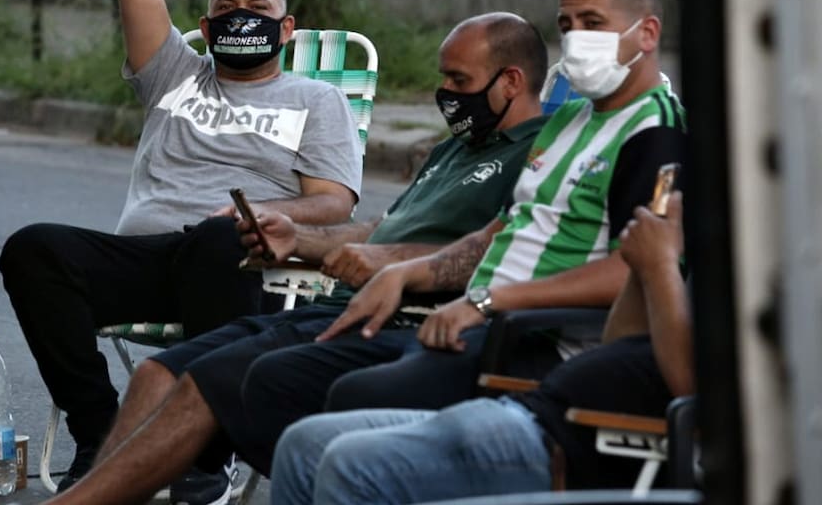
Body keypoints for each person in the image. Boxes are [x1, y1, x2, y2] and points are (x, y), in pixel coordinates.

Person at [44, 0, 686, 505]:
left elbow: (636, 268)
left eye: (593, 25)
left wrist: (468, 296)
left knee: (268, 392)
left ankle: (195, 469)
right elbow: (494, 232)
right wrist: (338, 251)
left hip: (505, 334)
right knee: (174, 373)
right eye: (567, 25)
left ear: (647, 30)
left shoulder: (649, 132)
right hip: (421, 306)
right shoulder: (569, 126)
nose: (576, 41)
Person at [0, 0, 364, 498]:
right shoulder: (175, 73)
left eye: (259, 10)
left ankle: (201, 454)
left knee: (217, 239)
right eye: (226, 9)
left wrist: (258, 216)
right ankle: (101, 433)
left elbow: (333, 203)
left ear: (287, 30)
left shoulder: (317, 100)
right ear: (204, 23)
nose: (241, 19)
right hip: (144, 257)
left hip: (232, 261)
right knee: (34, 247)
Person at [271, 190, 693, 503]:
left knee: (351, 464)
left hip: (568, 448)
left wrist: (660, 265)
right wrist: (644, 270)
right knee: (303, 444)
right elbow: (619, 341)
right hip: (528, 410)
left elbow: (689, 384)